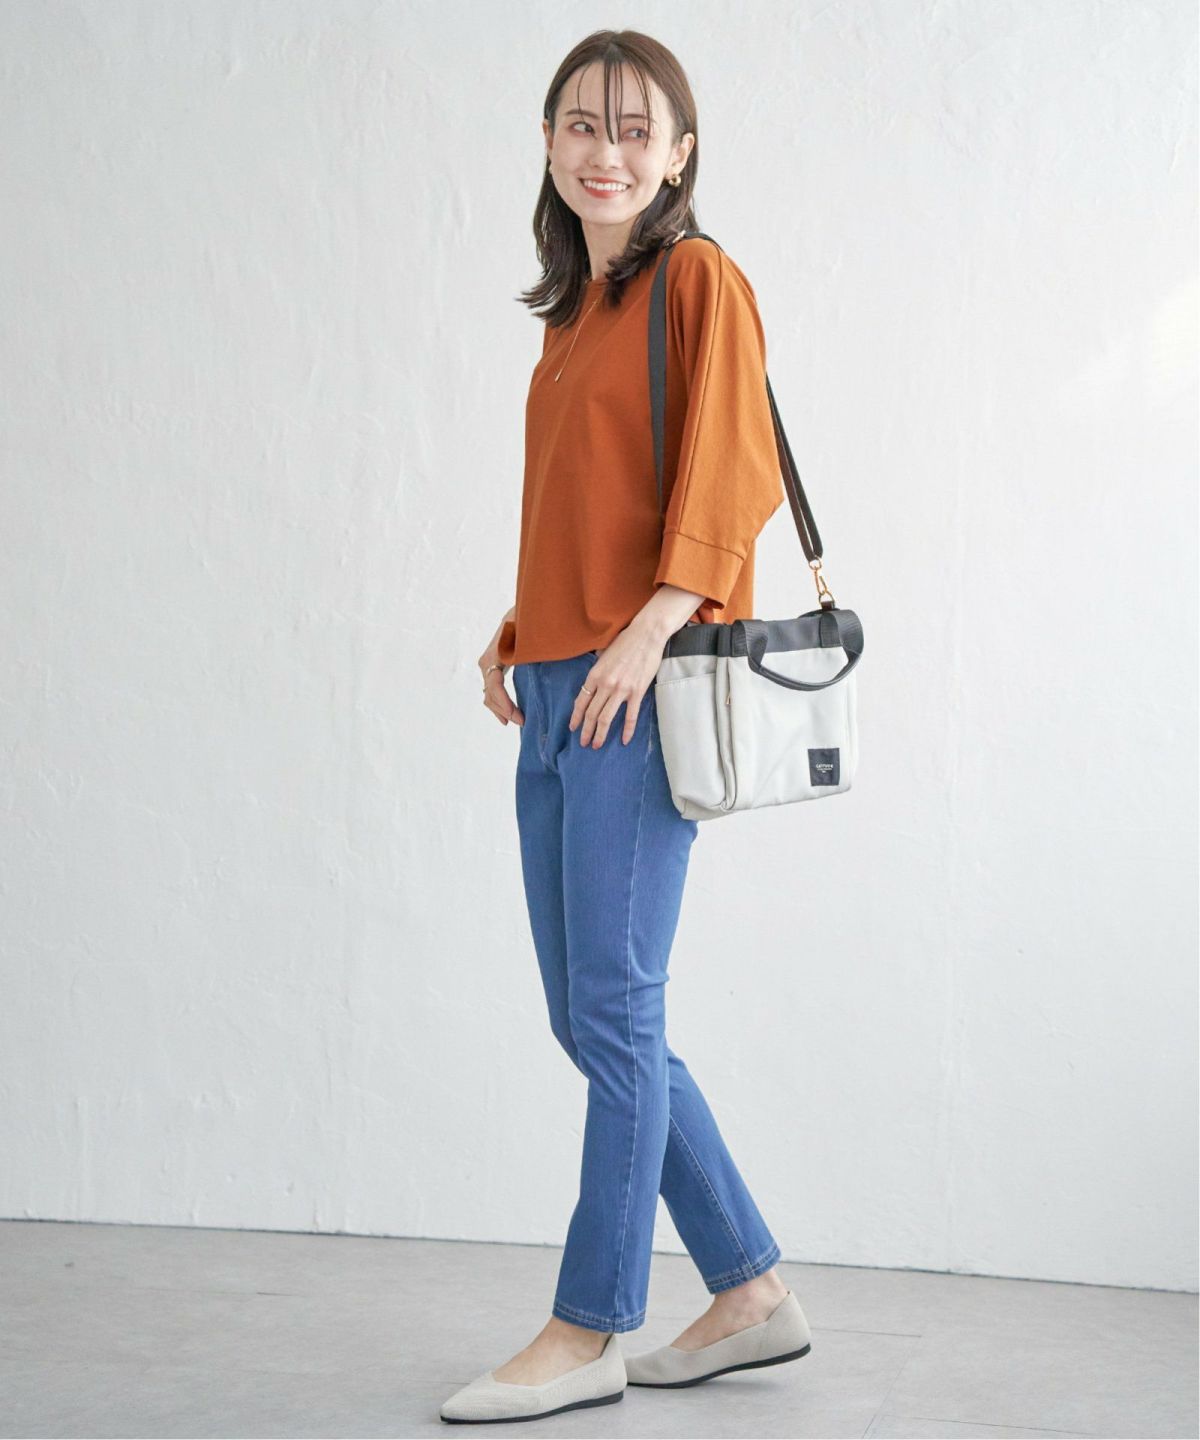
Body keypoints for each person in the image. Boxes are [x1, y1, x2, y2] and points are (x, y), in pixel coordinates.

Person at [442, 29, 812, 1427]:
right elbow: (585, 501)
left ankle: (591, 1322)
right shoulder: (574, 316)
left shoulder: (698, 279)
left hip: (635, 682)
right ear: (549, 143)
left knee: (613, 1005)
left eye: (635, 128)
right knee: (589, 1012)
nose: (607, 151)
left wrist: (647, 632)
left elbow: (733, 473)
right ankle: (750, 1290)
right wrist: (521, 625)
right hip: (559, 678)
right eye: (582, 125)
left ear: (679, 153)